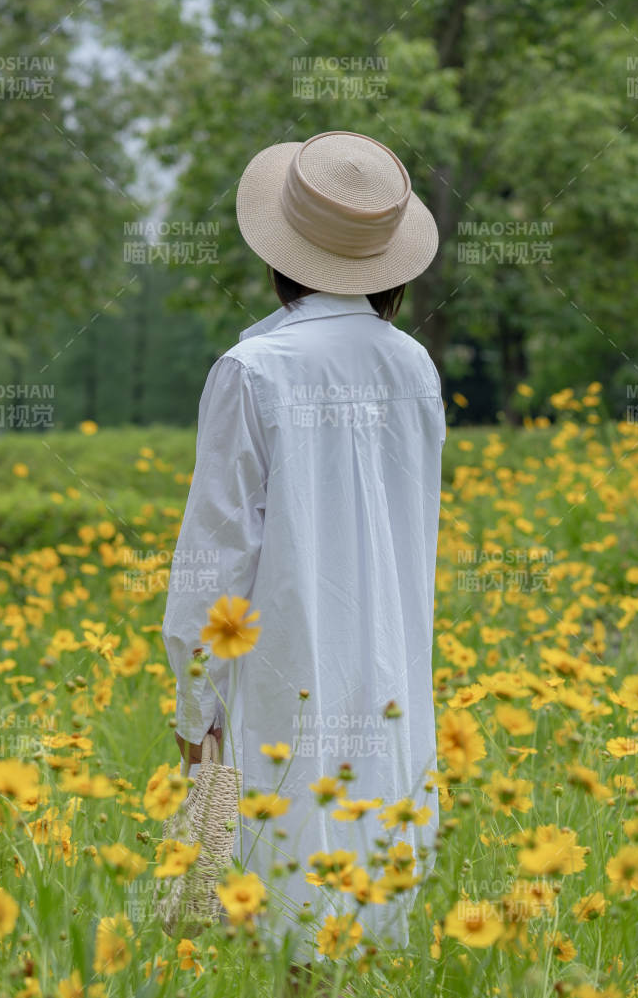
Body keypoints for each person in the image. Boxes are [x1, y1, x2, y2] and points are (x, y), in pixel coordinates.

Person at [163, 131, 446, 994]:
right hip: (392, 678)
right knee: (374, 920)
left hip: (281, 682)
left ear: (278, 252)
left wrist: (193, 696)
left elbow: (215, 558)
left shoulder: (254, 370)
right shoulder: (415, 366)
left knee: (272, 923)